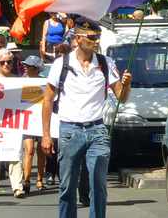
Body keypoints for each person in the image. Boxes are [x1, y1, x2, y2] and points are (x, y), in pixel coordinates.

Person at [41, 17, 132, 218]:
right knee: (67, 186)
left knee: (98, 186)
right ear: (79, 38)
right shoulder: (61, 64)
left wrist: (127, 84)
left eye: (98, 37)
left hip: (97, 130)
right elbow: (47, 100)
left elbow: (122, 98)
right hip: (69, 131)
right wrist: (46, 135)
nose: (96, 41)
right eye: (91, 37)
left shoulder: (106, 63)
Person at [0, 49, 26, 198]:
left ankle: (17, 187)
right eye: (3, 62)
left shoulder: (19, 80)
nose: (7, 64)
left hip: (14, 122)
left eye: (10, 61)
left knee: (15, 154)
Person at [21, 55, 48, 194]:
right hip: (27, 121)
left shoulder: (45, 82)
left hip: (41, 120)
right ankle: (26, 180)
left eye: (28, 65)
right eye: (25, 64)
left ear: (36, 69)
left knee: (41, 151)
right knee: (29, 150)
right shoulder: (20, 82)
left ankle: (39, 179)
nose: (25, 67)